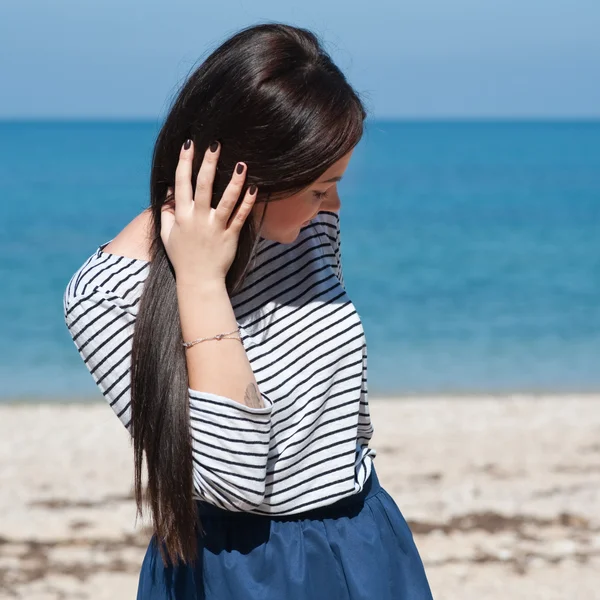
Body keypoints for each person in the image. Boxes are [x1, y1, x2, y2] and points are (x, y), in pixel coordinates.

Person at [63, 22, 434, 600]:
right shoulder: (106, 296)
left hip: (364, 540)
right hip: (234, 570)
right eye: (318, 188)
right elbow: (234, 480)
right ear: (254, 176)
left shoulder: (305, 227)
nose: (332, 205)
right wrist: (202, 279)